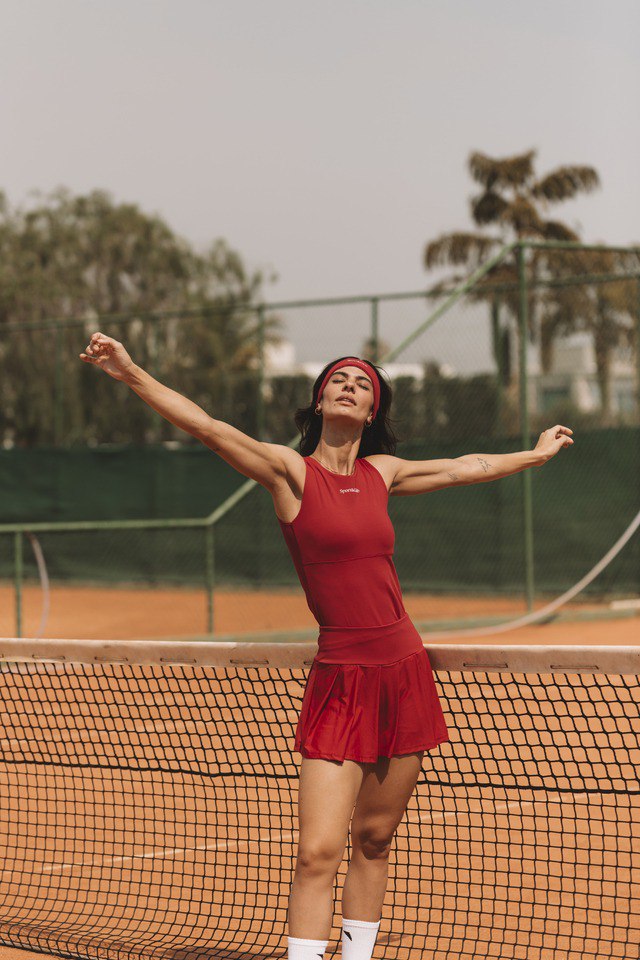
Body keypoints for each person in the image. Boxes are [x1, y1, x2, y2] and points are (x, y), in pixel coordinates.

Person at [79, 335, 574, 960]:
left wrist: (534, 456)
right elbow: (206, 427)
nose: (349, 385)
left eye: (362, 383)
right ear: (320, 399)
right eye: (338, 378)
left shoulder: (383, 473)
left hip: (404, 670)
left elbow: (463, 465)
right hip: (340, 678)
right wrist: (130, 373)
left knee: (373, 840)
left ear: (372, 413)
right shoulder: (289, 472)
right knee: (316, 851)